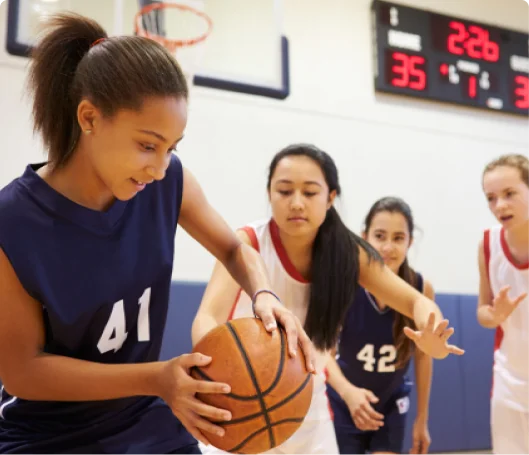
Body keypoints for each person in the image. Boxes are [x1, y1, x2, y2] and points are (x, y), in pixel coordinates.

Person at [0, 13, 314, 455]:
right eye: (148, 145)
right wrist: (156, 377)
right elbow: (22, 372)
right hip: (47, 434)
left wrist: (265, 294)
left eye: (172, 147)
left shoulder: (168, 182)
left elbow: (233, 248)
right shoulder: (14, 219)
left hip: (143, 416)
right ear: (89, 117)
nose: (161, 165)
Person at [192, 144, 464, 455]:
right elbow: (206, 318)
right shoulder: (247, 242)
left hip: (306, 407)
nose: (296, 203)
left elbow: (416, 302)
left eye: (309, 193)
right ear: (269, 193)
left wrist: (432, 333)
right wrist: (217, 373)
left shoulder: (348, 253)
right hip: (241, 401)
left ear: (330, 198)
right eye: (284, 191)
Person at [325, 196, 433, 455]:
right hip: (344, 399)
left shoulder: (420, 288)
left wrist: (422, 419)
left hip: (391, 402)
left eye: (398, 238)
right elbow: (324, 353)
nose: (388, 246)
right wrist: (348, 392)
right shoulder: (345, 284)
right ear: (364, 238)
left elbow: (424, 356)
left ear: (410, 242)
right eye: (380, 236)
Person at [477, 154, 529, 455]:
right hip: (509, 381)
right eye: (491, 198)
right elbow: (483, 313)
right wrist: (495, 314)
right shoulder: (488, 244)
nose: (500, 206)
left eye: (510, 194)